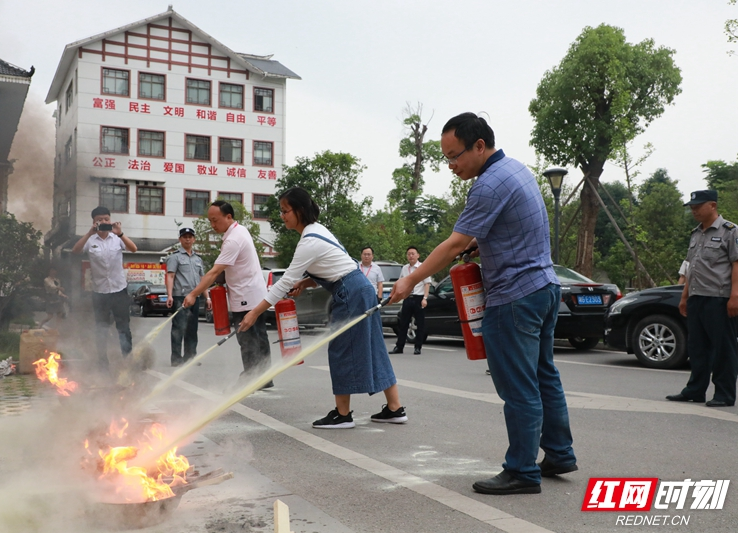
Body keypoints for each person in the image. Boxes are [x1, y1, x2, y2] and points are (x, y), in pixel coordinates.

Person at [389, 112, 576, 495]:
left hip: (515, 297)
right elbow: (506, 229)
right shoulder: (515, 170)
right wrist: (481, 243)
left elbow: (455, 243)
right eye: (446, 158)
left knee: (519, 386)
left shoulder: (487, 184)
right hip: (544, 288)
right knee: (544, 375)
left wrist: (410, 278)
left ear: (479, 146)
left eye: (455, 156)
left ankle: (523, 471)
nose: (451, 165)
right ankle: (559, 453)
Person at [236, 187, 407, 428]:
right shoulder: (318, 231)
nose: (282, 215)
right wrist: (306, 282)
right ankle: (394, 408)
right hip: (360, 288)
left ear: (300, 211)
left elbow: (284, 281)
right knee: (374, 346)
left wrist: (254, 312)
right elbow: (338, 264)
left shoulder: (308, 242)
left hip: (350, 293)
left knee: (340, 349)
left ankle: (343, 414)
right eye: (281, 211)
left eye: (286, 211)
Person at [184, 201, 273, 386]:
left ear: (229, 217)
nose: (212, 225)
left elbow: (214, 272)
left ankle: (251, 378)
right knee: (260, 336)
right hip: (257, 294)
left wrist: (193, 294)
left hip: (245, 298)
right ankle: (264, 378)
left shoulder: (233, 240)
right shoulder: (241, 231)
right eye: (210, 221)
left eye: (215, 220)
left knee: (247, 338)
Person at [666, 190, 738, 407]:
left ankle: (724, 394)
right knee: (697, 347)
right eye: (692, 207)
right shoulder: (696, 233)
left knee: (723, 349)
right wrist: (685, 296)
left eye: (698, 206)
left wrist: (735, 295)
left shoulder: (730, 231)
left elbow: (736, 263)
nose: (694, 210)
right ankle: (695, 390)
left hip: (719, 298)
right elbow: (691, 268)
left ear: (713, 205)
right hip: (697, 297)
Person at [71, 206, 137, 370]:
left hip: (119, 290)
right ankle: (102, 362)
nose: (104, 222)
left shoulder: (117, 238)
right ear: (94, 222)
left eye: (106, 219)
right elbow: (75, 251)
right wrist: (88, 233)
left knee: (123, 327)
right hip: (100, 292)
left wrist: (120, 232)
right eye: (99, 220)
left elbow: (134, 248)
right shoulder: (90, 240)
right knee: (101, 328)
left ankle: (128, 359)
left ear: (111, 219)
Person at [165, 227, 206, 367]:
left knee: (192, 328)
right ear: (180, 239)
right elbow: (170, 276)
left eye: (190, 236)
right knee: (178, 328)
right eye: (184, 237)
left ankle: (190, 357)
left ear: (194, 239)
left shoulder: (198, 259)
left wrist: (208, 297)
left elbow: (203, 279)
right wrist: (170, 295)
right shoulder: (174, 257)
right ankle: (176, 359)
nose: (187, 239)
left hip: (195, 297)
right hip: (180, 297)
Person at [389, 246, 432, 355]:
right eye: (409, 254)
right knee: (403, 324)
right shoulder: (404, 268)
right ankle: (399, 347)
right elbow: (401, 282)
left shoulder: (423, 267)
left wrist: (425, 298)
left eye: (413, 253)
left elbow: (427, 283)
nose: (411, 256)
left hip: (419, 298)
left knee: (420, 324)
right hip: (408, 298)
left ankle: (418, 347)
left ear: (418, 255)